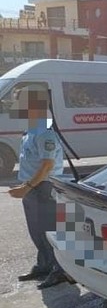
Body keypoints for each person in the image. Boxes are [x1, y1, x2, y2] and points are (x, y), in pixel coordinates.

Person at [8, 87, 68, 289]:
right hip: (33, 186)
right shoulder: (33, 129)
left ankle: (59, 270)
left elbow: (47, 165)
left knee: (51, 230)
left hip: (43, 187)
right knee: (37, 230)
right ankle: (44, 265)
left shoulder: (44, 132)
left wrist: (27, 187)